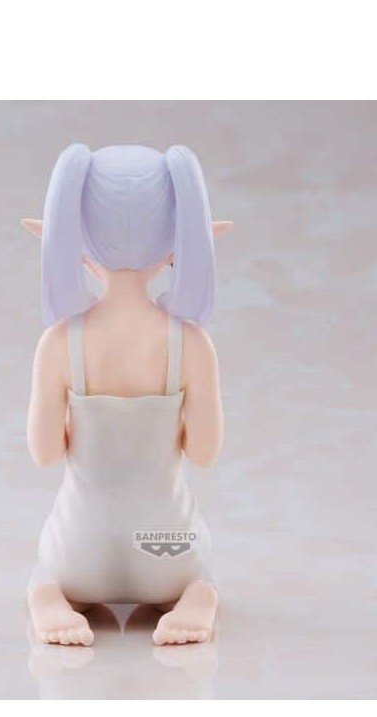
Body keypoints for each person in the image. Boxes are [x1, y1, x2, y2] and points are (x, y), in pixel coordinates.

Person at [21, 144, 232, 646]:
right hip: (166, 547)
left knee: (48, 573)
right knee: (196, 567)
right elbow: (205, 454)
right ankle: (197, 595)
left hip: (80, 549)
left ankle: (48, 597)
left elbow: (44, 453)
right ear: (180, 240)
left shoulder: (59, 343)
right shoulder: (192, 343)